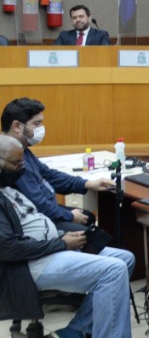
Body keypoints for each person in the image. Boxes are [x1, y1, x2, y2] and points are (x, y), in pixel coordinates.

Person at [0, 135, 146, 338]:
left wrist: (62, 235)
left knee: (126, 258)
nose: (21, 169)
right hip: (28, 266)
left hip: (49, 248)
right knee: (113, 270)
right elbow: (7, 248)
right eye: (16, 164)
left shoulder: (7, 185)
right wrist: (61, 242)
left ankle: (74, 332)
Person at [2, 98, 113, 251]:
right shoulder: (13, 160)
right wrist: (70, 216)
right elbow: (38, 204)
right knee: (95, 237)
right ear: (16, 126)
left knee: (89, 217)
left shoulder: (23, 150)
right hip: (37, 219)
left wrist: (87, 183)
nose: (41, 128)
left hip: (47, 210)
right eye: (36, 123)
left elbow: (49, 175)